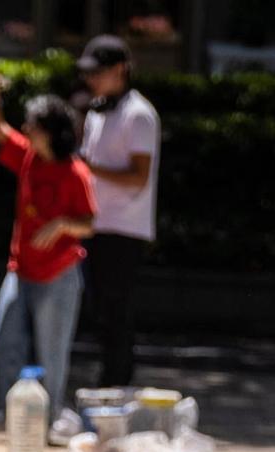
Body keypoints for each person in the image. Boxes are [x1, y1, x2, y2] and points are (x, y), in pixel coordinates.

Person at [0, 75, 96, 426]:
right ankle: (7, 414)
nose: (27, 128)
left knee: (52, 353)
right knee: (5, 338)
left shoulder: (76, 173)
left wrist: (61, 224)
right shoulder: (29, 157)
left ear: (52, 132)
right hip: (21, 269)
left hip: (58, 275)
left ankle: (48, 419)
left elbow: (89, 224)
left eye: (34, 125)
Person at [75, 34, 160, 388]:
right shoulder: (99, 109)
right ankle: (108, 386)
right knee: (100, 314)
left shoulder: (139, 115)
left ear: (121, 70)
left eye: (99, 72)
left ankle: (118, 386)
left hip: (124, 229)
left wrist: (89, 168)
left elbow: (139, 177)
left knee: (117, 314)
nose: (92, 79)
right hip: (95, 225)